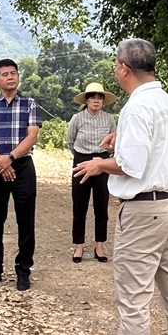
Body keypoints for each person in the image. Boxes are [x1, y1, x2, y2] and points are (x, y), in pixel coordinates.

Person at [74, 39, 168, 335]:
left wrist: (99, 163)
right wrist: (121, 140)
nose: (115, 68)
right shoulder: (167, 102)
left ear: (124, 68)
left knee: (133, 300)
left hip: (144, 212)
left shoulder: (137, 106)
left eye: (116, 63)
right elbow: (157, 150)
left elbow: (132, 166)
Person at [0, 59, 42, 291]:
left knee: (25, 221)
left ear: (18, 77)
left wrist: (10, 158)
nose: (10, 77)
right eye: (5, 74)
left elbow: (32, 136)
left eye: (13, 73)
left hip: (22, 167)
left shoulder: (30, 104)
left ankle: (23, 271)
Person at [66, 82, 117, 263]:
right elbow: (70, 141)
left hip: (102, 162)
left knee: (101, 206)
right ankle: (79, 246)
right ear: (86, 100)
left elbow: (114, 142)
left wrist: (107, 154)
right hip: (81, 161)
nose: (96, 101)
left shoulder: (109, 119)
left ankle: (100, 246)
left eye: (99, 97)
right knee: (79, 205)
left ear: (103, 100)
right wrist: (81, 158)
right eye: (93, 97)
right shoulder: (77, 118)